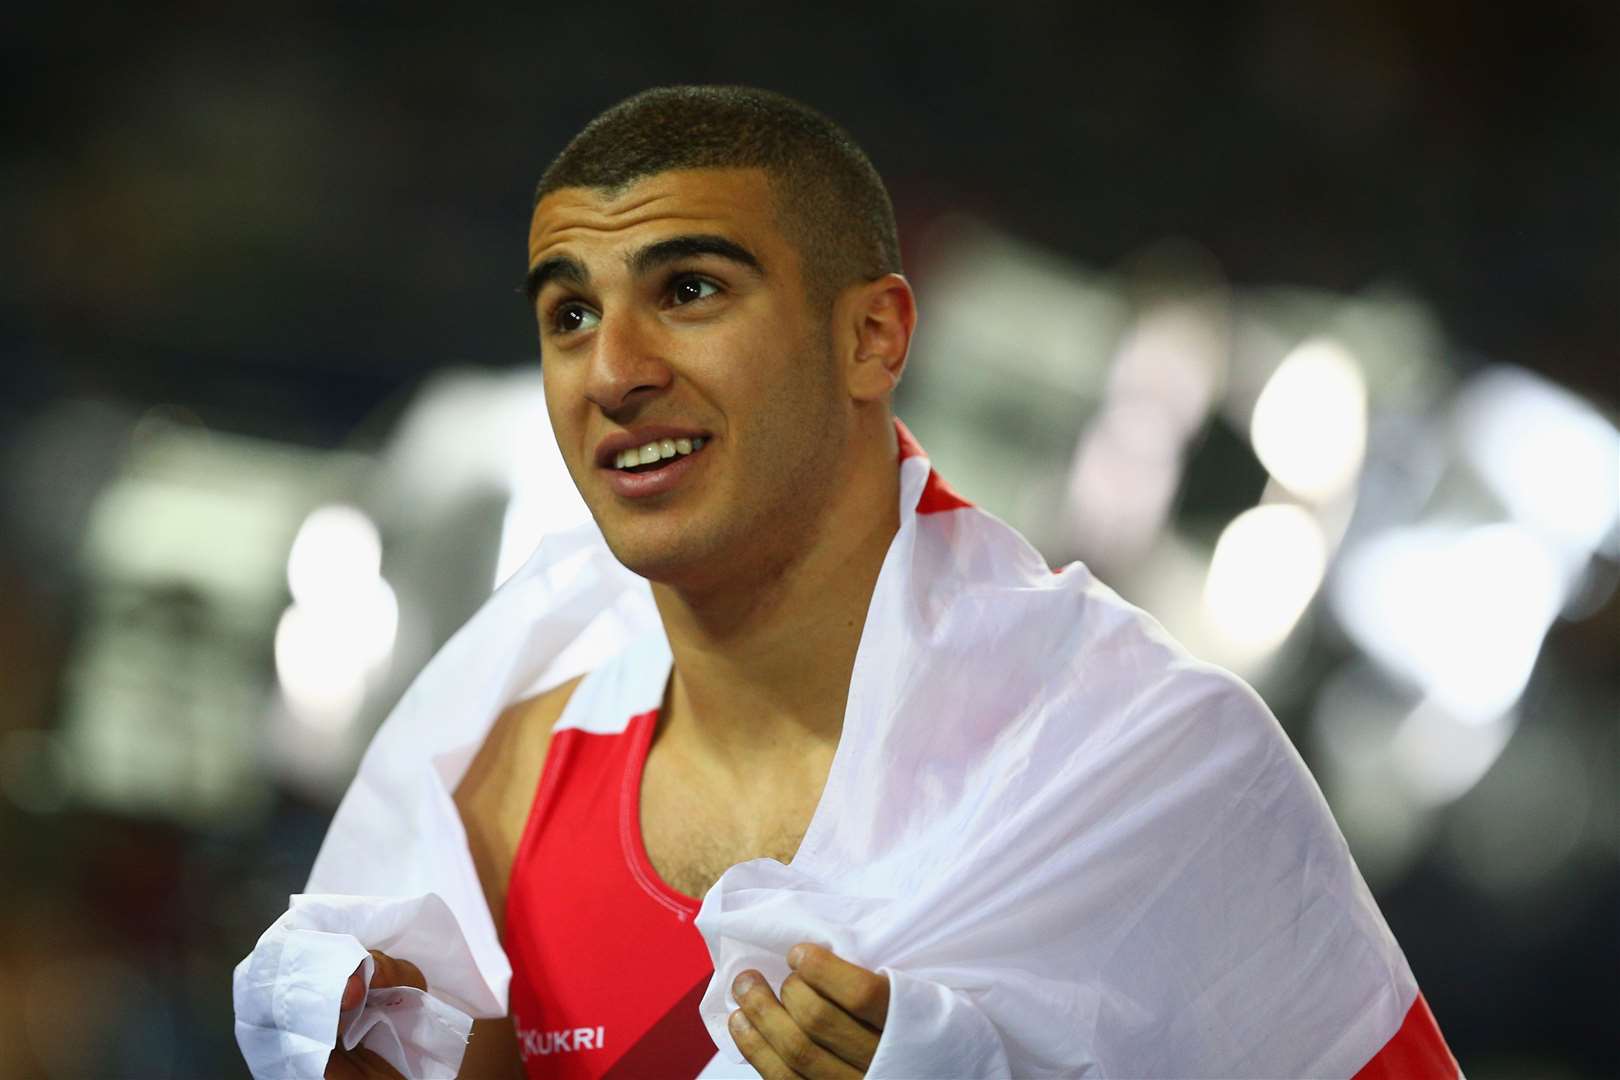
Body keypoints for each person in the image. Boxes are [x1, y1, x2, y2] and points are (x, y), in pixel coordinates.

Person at [236, 86, 1459, 1080]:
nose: (612, 371)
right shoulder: (494, 793)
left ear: (872, 337)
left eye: (690, 291)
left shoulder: (1147, 764)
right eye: (568, 314)